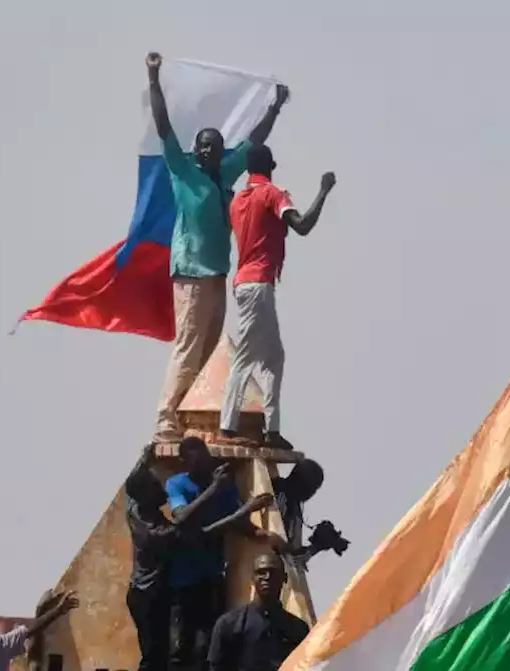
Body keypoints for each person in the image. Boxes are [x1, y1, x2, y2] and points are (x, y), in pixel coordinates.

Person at [146, 51, 290, 444]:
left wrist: (274, 106)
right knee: (188, 347)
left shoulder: (224, 174)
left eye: (215, 146)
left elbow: (255, 142)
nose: (209, 151)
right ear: (196, 150)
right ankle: (166, 419)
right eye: (204, 146)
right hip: (190, 275)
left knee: (210, 351)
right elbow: (163, 125)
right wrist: (154, 78)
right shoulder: (184, 172)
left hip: (218, 274)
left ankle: (192, 418)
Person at [218, 145, 337, 450]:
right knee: (245, 357)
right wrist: (323, 191)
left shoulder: (238, 201)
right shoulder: (272, 194)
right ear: (271, 165)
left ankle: (272, 429)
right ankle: (227, 428)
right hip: (258, 285)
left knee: (273, 358)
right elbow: (302, 226)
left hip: (247, 283)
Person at [125, 443, 275, 671]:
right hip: (154, 593)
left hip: (197, 581)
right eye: (155, 487)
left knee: (204, 647)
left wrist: (145, 456)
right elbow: (195, 529)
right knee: (162, 655)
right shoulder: (157, 530)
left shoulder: (137, 506)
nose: (162, 491)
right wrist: (242, 507)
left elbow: (136, 483)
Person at [164, 437, 285, 669]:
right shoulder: (177, 484)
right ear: (186, 465)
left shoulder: (225, 488)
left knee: (206, 645)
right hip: (182, 579)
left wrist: (271, 538)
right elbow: (183, 520)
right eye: (198, 463)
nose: (205, 468)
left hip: (211, 577)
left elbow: (242, 526)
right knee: (179, 648)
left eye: (206, 461)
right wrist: (215, 490)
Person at [208, 553, 310, 671]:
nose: (267, 577)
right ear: (252, 578)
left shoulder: (298, 629)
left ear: (284, 578)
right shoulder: (228, 624)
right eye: (261, 572)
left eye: (273, 572)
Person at [272, 460, 347, 570]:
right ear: (300, 482)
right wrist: (317, 547)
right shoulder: (280, 498)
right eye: (312, 488)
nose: (312, 493)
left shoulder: (294, 505)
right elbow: (287, 558)